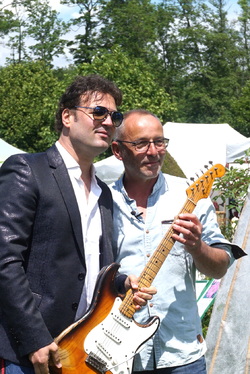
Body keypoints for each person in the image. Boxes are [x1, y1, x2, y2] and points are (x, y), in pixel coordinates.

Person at [0, 77, 155, 374]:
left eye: (115, 116)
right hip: (31, 353)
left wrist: (121, 284)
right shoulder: (27, 170)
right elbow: (5, 261)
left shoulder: (104, 193)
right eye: (99, 112)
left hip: (84, 350)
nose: (109, 122)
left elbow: (93, 266)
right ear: (67, 117)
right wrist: (35, 339)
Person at [110, 109, 245, 374]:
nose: (154, 151)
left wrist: (197, 246)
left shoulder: (191, 198)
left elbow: (218, 269)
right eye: (141, 143)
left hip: (181, 354)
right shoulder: (102, 202)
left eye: (159, 142)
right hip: (119, 355)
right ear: (117, 150)